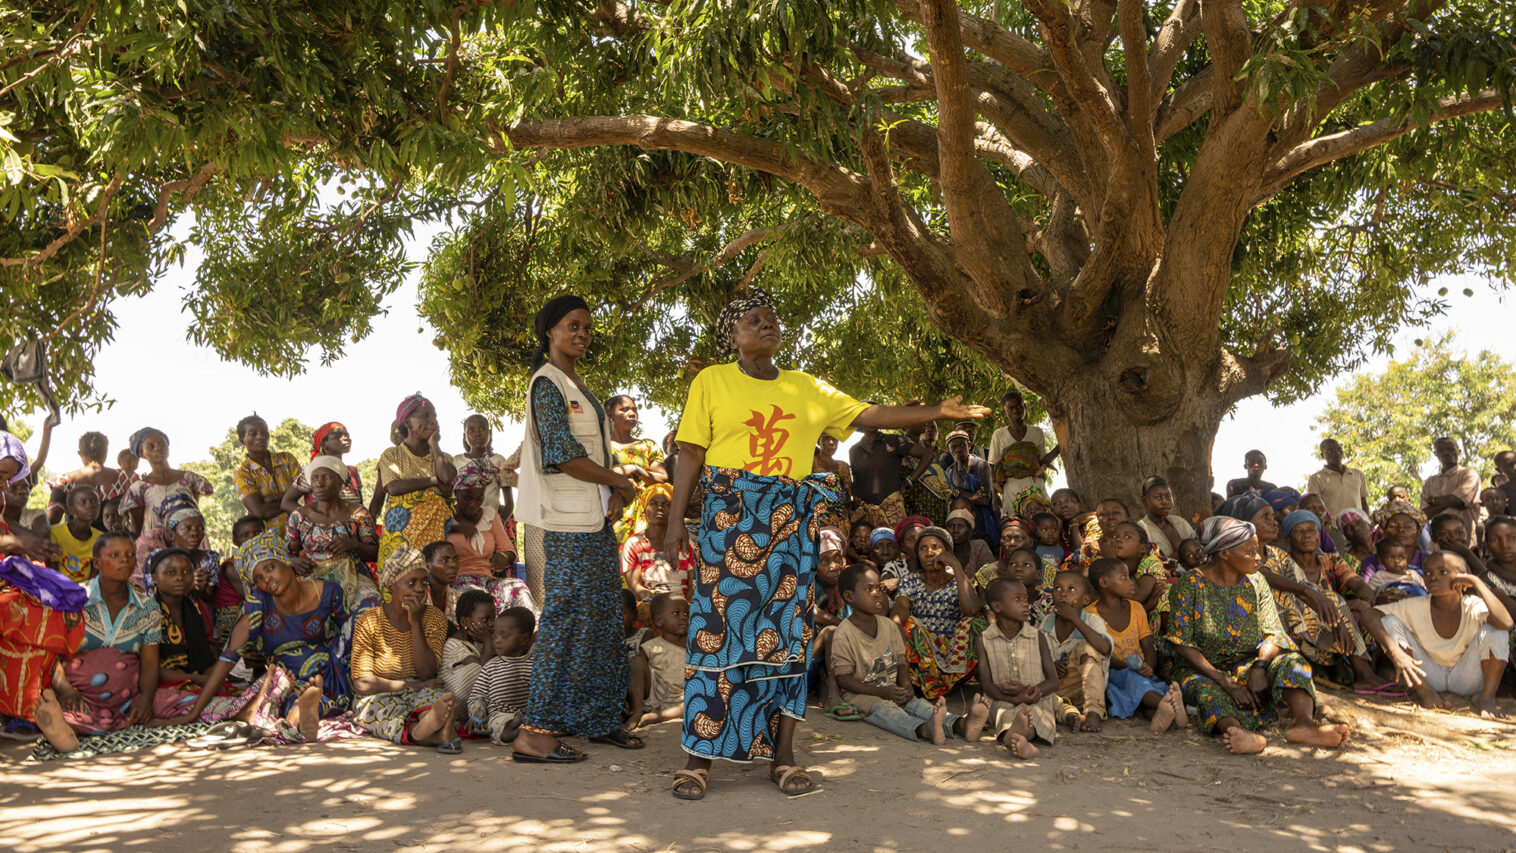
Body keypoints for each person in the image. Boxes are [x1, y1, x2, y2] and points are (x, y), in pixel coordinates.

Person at [664, 288, 988, 800]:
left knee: (788, 638)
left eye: (772, 318)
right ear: (733, 334)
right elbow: (689, 454)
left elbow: (869, 414)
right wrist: (675, 521)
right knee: (718, 636)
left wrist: (937, 412)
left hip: (792, 528)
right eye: (754, 318)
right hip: (729, 524)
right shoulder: (712, 381)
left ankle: (784, 757)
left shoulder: (805, 387)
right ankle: (699, 759)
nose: (767, 324)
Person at [513, 294, 640, 765]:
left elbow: (592, 454)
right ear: (550, 331)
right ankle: (535, 733)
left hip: (591, 522)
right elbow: (562, 454)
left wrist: (611, 491)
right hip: (565, 527)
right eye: (573, 325)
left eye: (587, 326)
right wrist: (618, 481)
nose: (582, 334)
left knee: (604, 619)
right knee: (566, 621)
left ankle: (598, 718)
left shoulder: (575, 384)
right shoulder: (546, 384)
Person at [1163, 515, 1349, 754]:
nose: (1258, 557)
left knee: (1294, 662)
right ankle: (1238, 732)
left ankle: (1303, 723)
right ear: (1224, 553)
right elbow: (1181, 643)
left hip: (1249, 664)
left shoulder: (1257, 581)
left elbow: (1273, 633)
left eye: (1258, 550)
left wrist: (1260, 668)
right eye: (1250, 552)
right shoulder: (1189, 585)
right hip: (1204, 670)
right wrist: (1226, 682)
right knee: (1204, 689)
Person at [168, 530, 360, 743]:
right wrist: (194, 713)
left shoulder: (328, 591)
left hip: (332, 669)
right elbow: (227, 658)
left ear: (285, 561)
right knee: (291, 696)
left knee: (363, 617)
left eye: (270, 568)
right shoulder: (259, 603)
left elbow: (351, 636)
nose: (267, 579)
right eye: (258, 578)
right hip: (290, 678)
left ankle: (304, 711)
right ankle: (303, 712)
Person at [30, 532, 201, 754]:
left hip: (128, 698)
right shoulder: (73, 600)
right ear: (97, 562)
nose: (125, 560)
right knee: (65, 710)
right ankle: (62, 726)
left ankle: (77, 726)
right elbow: (50, 654)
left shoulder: (147, 607)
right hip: (79, 696)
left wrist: (146, 700)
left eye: (130, 555)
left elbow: (149, 663)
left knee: (189, 700)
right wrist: (66, 690)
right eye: (115, 555)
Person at [831, 564, 989, 744]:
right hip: (861, 695)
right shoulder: (844, 634)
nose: (876, 594)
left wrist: (906, 685)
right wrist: (879, 692)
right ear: (849, 596)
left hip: (891, 689)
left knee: (917, 704)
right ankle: (923, 730)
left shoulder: (889, 626)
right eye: (868, 589)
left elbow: (900, 662)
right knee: (886, 711)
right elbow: (843, 679)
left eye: (878, 588)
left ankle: (961, 725)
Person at [1359, 552, 1511, 716]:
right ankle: (1425, 693)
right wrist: (1396, 652)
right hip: (1428, 677)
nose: (1433, 578)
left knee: (1496, 631)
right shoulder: (1415, 605)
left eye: (1442, 572)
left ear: (1462, 577)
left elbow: (1506, 623)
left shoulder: (1472, 605)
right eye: (1428, 573)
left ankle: (1486, 698)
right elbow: (1369, 615)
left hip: (1467, 678)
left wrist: (1477, 582)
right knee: (1388, 622)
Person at [350, 547, 460, 752]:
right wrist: (413, 686)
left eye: (424, 582)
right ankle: (435, 733)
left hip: (422, 689)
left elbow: (427, 672)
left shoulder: (434, 618)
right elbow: (363, 684)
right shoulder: (369, 620)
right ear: (391, 585)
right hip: (380, 694)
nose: (420, 589)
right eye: (411, 582)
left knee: (434, 699)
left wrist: (416, 623)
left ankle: (429, 725)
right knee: (378, 710)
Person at [1271, 509, 1390, 691]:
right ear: (1287, 539)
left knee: (1362, 612)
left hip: (1334, 629)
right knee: (1338, 603)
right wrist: (1346, 607)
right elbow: (1293, 606)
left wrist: (1363, 602)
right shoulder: (1282, 565)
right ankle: (1364, 674)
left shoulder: (1331, 561)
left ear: (1320, 535)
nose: (1307, 535)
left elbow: (1359, 585)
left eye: (1312, 530)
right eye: (1299, 531)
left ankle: (1366, 669)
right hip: (1300, 629)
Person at [1087, 558, 1185, 730]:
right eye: (1124, 578)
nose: (1132, 583)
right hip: (1114, 673)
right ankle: (1170, 705)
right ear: (1104, 582)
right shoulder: (1090, 615)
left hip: (1142, 673)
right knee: (1137, 685)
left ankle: (1161, 716)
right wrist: (1129, 667)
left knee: (1143, 696)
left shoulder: (1137, 608)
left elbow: (1148, 645)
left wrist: (1149, 666)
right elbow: (1101, 654)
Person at [891, 526, 983, 699]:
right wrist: (896, 624)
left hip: (955, 650)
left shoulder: (958, 580)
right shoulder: (911, 580)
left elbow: (971, 611)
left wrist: (955, 565)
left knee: (976, 624)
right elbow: (900, 609)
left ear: (947, 551)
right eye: (923, 548)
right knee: (906, 623)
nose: (929, 552)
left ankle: (946, 681)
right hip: (922, 650)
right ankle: (922, 682)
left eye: (936, 547)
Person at [973, 577, 1059, 759]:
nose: (1026, 604)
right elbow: (987, 685)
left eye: (1026, 599)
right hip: (1001, 699)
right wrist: (1011, 698)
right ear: (997, 607)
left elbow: (1053, 682)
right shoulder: (983, 639)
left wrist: (1029, 692)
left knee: (1037, 714)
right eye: (1018, 599)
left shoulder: (1038, 637)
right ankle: (1017, 738)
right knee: (1003, 713)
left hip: (1037, 697)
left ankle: (1021, 738)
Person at [284, 456, 382, 613]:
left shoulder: (358, 513)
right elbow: (286, 553)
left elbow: (375, 553)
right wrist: (294, 561)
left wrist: (354, 545)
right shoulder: (300, 515)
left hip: (354, 577)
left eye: (326, 477)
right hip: (314, 578)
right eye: (314, 478)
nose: (319, 483)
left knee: (371, 607)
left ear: (340, 482)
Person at [377, 393, 457, 571]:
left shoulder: (444, 458)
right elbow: (394, 487)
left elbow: (447, 481)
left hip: (434, 539)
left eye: (434, 416)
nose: (433, 421)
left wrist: (434, 445)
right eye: (425, 416)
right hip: (400, 539)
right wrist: (434, 481)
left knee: (431, 588)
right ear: (407, 423)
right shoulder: (392, 455)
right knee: (400, 589)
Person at [444, 458, 532, 616]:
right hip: (458, 581)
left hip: (489, 580)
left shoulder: (490, 515)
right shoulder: (445, 517)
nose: (473, 504)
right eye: (467, 498)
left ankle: (532, 634)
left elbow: (509, 551)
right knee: (477, 600)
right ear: (456, 493)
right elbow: (433, 552)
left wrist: (504, 557)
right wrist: (455, 529)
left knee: (517, 589)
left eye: (479, 499)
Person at [118, 428, 212, 566]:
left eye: (162, 443)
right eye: (151, 446)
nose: (158, 448)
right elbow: (138, 529)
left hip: (193, 541)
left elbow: (192, 512)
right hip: (157, 548)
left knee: (200, 579)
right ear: (141, 453)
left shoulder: (189, 478)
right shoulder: (139, 488)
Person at [1041, 570, 1111, 733]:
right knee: (1033, 691)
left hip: (1086, 688)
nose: (1063, 593)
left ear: (1086, 599)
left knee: (1087, 648)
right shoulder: (1046, 623)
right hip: (1057, 690)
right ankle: (1068, 714)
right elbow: (1040, 658)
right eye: (1057, 588)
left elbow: (1104, 648)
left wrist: (1075, 619)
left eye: (1071, 589)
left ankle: (1094, 712)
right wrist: (1051, 667)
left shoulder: (1093, 621)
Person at [148, 549, 217, 689]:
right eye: (171, 573)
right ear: (155, 578)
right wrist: (196, 679)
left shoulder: (197, 609)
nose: (180, 578)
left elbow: (207, 659)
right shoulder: (146, 614)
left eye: (187, 572)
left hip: (198, 681)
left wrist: (212, 678)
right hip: (162, 687)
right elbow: (150, 668)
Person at [468, 606, 537, 743]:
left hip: (529, 715)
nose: (497, 640)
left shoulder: (534, 664)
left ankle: (525, 729)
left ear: (524, 639)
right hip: (501, 715)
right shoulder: (491, 666)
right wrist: (477, 715)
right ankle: (514, 730)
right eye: (495, 635)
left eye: (504, 636)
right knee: (499, 728)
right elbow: (477, 695)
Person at [988, 390, 1059, 520]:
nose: (1016, 410)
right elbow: (992, 466)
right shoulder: (999, 434)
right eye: (1011, 408)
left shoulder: (1036, 432)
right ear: (1005, 411)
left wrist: (1059, 448)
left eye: (1019, 406)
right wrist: (995, 497)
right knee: (1015, 522)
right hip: (1011, 486)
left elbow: (1042, 460)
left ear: (1024, 407)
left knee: (1041, 519)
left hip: (1035, 483)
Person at [850, 418, 933, 529]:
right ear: (861, 423)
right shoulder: (854, 450)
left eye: (876, 416)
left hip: (892, 510)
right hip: (865, 513)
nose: (871, 420)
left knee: (896, 544)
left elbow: (927, 456)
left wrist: (908, 481)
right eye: (868, 417)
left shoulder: (892, 441)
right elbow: (856, 481)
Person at [606, 395, 668, 540]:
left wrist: (635, 470)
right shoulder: (601, 447)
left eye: (634, 409)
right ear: (610, 414)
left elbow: (662, 478)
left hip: (644, 514)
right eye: (624, 409)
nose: (632, 413)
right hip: (612, 508)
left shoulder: (647, 446)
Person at [621, 483, 696, 602]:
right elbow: (636, 587)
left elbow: (693, 585)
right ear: (645, 509)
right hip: (649, 605)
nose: (660, 507)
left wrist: (682, 605)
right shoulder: (634, 543)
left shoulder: (686, 543)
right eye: (653, 503)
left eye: (666, 504)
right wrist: (659, 603)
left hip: (682, 605)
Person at [232, 415, 302, 535]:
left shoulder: (287, 459)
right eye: (253, 434)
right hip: (269, 542)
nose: (261, 436)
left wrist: (272, 498)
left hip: (301, 534)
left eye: (264, 432)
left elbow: (303, 488)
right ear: (242, 439)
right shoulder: (242, 474)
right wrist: (290, 502)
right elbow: (260, 512)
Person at [630, 592, 687, 728]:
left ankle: (659, 716)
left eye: (686, 614)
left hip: (684, 701)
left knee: (699, 703)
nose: (683, 618)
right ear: (658, 620)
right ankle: (637, 712)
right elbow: (637, 676)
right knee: (635, 662)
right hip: (656, 698)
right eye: (676, 613)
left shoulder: (695, 646)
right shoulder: (651, 647)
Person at [44, 431, 125, 526]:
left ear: (80, 453)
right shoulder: (125, 479)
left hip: (75, 539)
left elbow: (51, 522)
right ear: (106, 452)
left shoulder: (63, 482)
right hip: (117, 540)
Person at [281, 422, 365, 512]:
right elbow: (286, 502)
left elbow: (360, 506)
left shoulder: (352, 472)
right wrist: (311, 518)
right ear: (324, 444)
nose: (346, 438)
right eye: (338, 435)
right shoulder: (313, 471)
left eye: (347, 435)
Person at [441, 589, 496, 717]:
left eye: (494, 618)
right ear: (465, 622)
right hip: (457, 707)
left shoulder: (478, 642)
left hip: (476, 703)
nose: (492, 624)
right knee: (476, 669)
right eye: (486, 620)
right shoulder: (453, 645)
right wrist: (488, 640)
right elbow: (483, 674)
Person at [1422, 437, 1480, 548]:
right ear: (1435, 453)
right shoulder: (1430, 482)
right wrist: (1450, 501)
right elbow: (1425, 514)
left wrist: (1434, 500)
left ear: (1459, 451)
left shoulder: (1469, 474)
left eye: (1450, 448)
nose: (1446, 452)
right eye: (1441, 450)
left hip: (1467, 543)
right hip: (1437, 545)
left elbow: (1458, 501)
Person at [943, 430, 998, 546]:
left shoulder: (981, 465)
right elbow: (952, 494)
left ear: (969, 445)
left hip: (984, 517)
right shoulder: (950, 471)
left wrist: (960, 494)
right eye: (954, 447)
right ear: (949, 450)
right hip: (962, 518)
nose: (958, 449)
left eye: (962, 445)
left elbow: (984, 497)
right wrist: (972, 497)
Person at [454, 414, 512, 516]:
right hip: (461, 523)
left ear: (489, 433)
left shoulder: (499, 461)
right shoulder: (456, 461)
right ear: (465, 436)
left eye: (482, 429)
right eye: (471, 430)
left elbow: (509, 504)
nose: (477, 434)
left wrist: (499, 525)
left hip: (489, 523)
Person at [48, 484, 101, 583]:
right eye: (83, 502)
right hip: (59, 587)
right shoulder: (55, 533)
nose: (90, 505)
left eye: (94, 501)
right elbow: (52, 573)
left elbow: (94, 576)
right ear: (71, 509)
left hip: (85, 590)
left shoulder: (100, 538)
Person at [1136, 476, 1196, 560]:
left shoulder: (1179, 522)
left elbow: (1198, 547)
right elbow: (1152, 563)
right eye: (1158, 497)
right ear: (1144, 500)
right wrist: (1184, 553)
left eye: (1168, 496)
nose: (1164, 501)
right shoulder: (1141, 530)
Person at [1360, 507, 1428, 580]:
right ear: (1384, 532)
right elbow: (1367, 588)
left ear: (1418, 533)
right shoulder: (1371, 562)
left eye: (1408, 527)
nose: (1401, 529)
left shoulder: (1427, 560)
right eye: (1394, 526)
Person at [1307, 439, 1369, 519]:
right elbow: (1314, 507)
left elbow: (1363, 501)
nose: (1336, 453)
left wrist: (1367, 521)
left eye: (1339, 449)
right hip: (1333, 528)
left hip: (1358, 525)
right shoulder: (1316, 479)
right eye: (1329, 451)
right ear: (1322, 455)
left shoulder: (1358, 474)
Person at [812, 434, 854, 529]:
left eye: (834, 439)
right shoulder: (811, 463)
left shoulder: (843, 466)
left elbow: (848, 496)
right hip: (820, 519)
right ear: (819, 442)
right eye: (826, 439)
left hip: (842, 520)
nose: (831, 443)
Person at [945, 508, 995, 575]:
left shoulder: (979, 547)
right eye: (951, 526)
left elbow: (989, 575)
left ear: (970, 531)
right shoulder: (942, 550)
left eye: (960, 526)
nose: (955, 530)